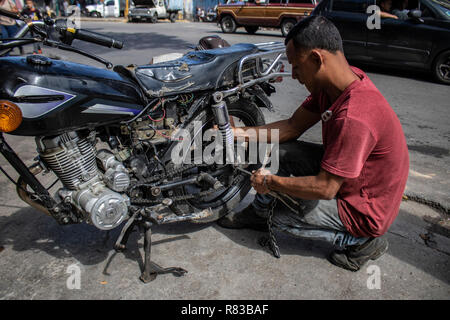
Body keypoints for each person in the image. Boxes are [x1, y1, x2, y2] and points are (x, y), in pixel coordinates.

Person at [217, 16, 409, 272]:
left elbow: (326, 187)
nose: (294, 75)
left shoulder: (355, 115)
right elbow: (292, 127)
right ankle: (257, 214)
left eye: (297, 66)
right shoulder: (336, 86)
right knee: (278, 153)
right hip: (354, 179)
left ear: (317, 59)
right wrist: (236, 132)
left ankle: (362, 243)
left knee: (281, 219)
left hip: (365, 208)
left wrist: (270, 183)